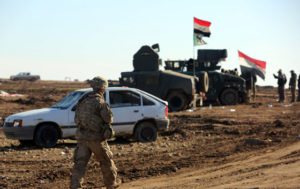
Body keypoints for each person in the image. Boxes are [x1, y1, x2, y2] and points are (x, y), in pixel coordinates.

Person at [70, 76, 119, 189]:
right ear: (102, 88)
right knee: (106, 161)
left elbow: (76, 119)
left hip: (82, 138)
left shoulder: (82, 101)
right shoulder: (100, 102)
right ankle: (111, 184)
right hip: (96, 139)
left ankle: (75, 186)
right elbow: (108, 119)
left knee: (80, 164)